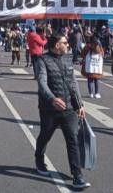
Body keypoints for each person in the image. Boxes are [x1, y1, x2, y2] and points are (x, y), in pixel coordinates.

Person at [34, 34, 90, 190]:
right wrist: (52, 99)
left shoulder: (68, 58)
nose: (68, 45)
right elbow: (42, 83)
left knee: (72, 139)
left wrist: (80, 104)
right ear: (56, 45)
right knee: (45, 135)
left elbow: (73, 83)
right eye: (65, 42)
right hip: (49, 109)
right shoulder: (42, 60)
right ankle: (39, 158)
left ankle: (77, 175)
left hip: (70, 108)